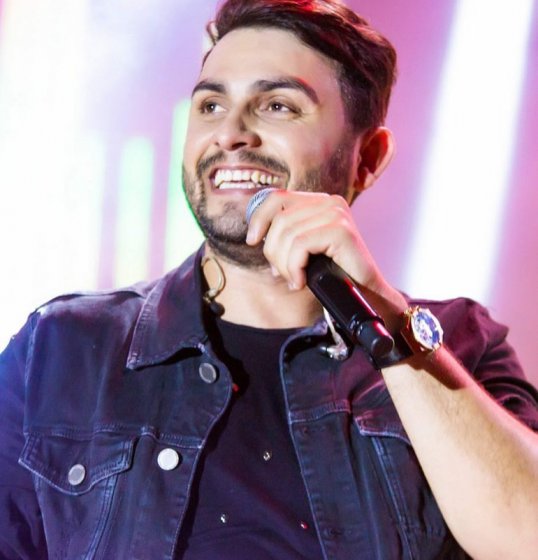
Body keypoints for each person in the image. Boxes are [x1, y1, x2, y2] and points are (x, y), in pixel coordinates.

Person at [1, 0, 537, 558]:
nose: (230, 134)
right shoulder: (61, 349)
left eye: (277, 105)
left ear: (368, 159)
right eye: (211, 105)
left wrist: (387, 318)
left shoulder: (459, 346)